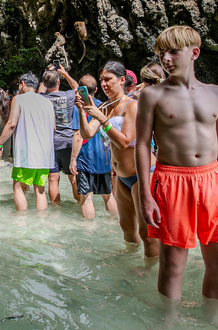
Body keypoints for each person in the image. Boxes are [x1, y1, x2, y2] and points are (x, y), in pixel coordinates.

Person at [136, 26, 218, 308]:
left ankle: (214, 322)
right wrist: (145, 193)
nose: (166, 59)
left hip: (214, 179)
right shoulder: (151, 96)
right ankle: (169, 322)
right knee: (174, 265)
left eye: (174, 51)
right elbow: (141, 144)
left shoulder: (216, 94)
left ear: (194, 53)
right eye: (162, 53)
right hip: (171, 179)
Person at [78, 62, 157, 257]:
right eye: (102, 80)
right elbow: (87, 133)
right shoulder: (105, 106)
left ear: (122, 80)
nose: (104, 84)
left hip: (142, 174)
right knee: (127, 228)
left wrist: (103, 120)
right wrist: (82, 109)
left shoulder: (132, 106)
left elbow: (124, 142)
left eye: (108, 79)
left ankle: (150, 270)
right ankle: (130, 261)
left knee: (146, 232)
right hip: (121, 177)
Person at [0, 72, 56, 211]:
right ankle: (41, 223)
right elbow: (53, 128)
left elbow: (11, 124)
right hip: (45, 154)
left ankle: (21, 223)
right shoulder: (47, 102)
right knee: (40, 190)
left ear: (23, 84)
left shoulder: (19, 99)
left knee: (18, 186)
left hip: (27, 153)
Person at [71, 74, 118, 218]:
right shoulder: (104, 106)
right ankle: (115, 224)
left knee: (86, 196)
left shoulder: (79, 107)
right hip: (104, 156)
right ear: (96, 89)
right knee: (108, 194)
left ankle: (88, 231)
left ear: (80, 90)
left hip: (86, 157)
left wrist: (73, 159)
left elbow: (79, 134)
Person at [41, 64, 79, 204]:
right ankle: (81, 205)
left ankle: (55, 211)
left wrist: (47, 74)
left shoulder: (41, 98)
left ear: (44, 84)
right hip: (68, 142)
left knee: (52, 179)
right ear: (59, 82)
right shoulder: (68, 96)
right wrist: (65, 74)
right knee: (73, 177)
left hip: (50, 144)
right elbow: (78, 89)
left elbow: (41, 89)